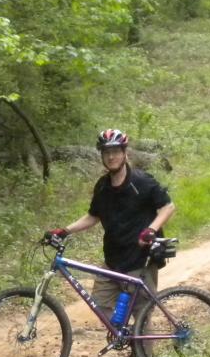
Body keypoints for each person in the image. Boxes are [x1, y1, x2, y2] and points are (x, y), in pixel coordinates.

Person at [46, 128, 175, 320]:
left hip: (140, 260)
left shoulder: (142, 182)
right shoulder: (102, 186)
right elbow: (93, 216)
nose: (111, 156)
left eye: (115, 151)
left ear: (124, 153)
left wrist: (150, 230)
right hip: (112, 260)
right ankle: (124, 335)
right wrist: (65, 230)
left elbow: (168, 207)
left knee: (141, 316)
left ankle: (141, 348)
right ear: (102, 156)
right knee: (100, 305)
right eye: (106, 152)